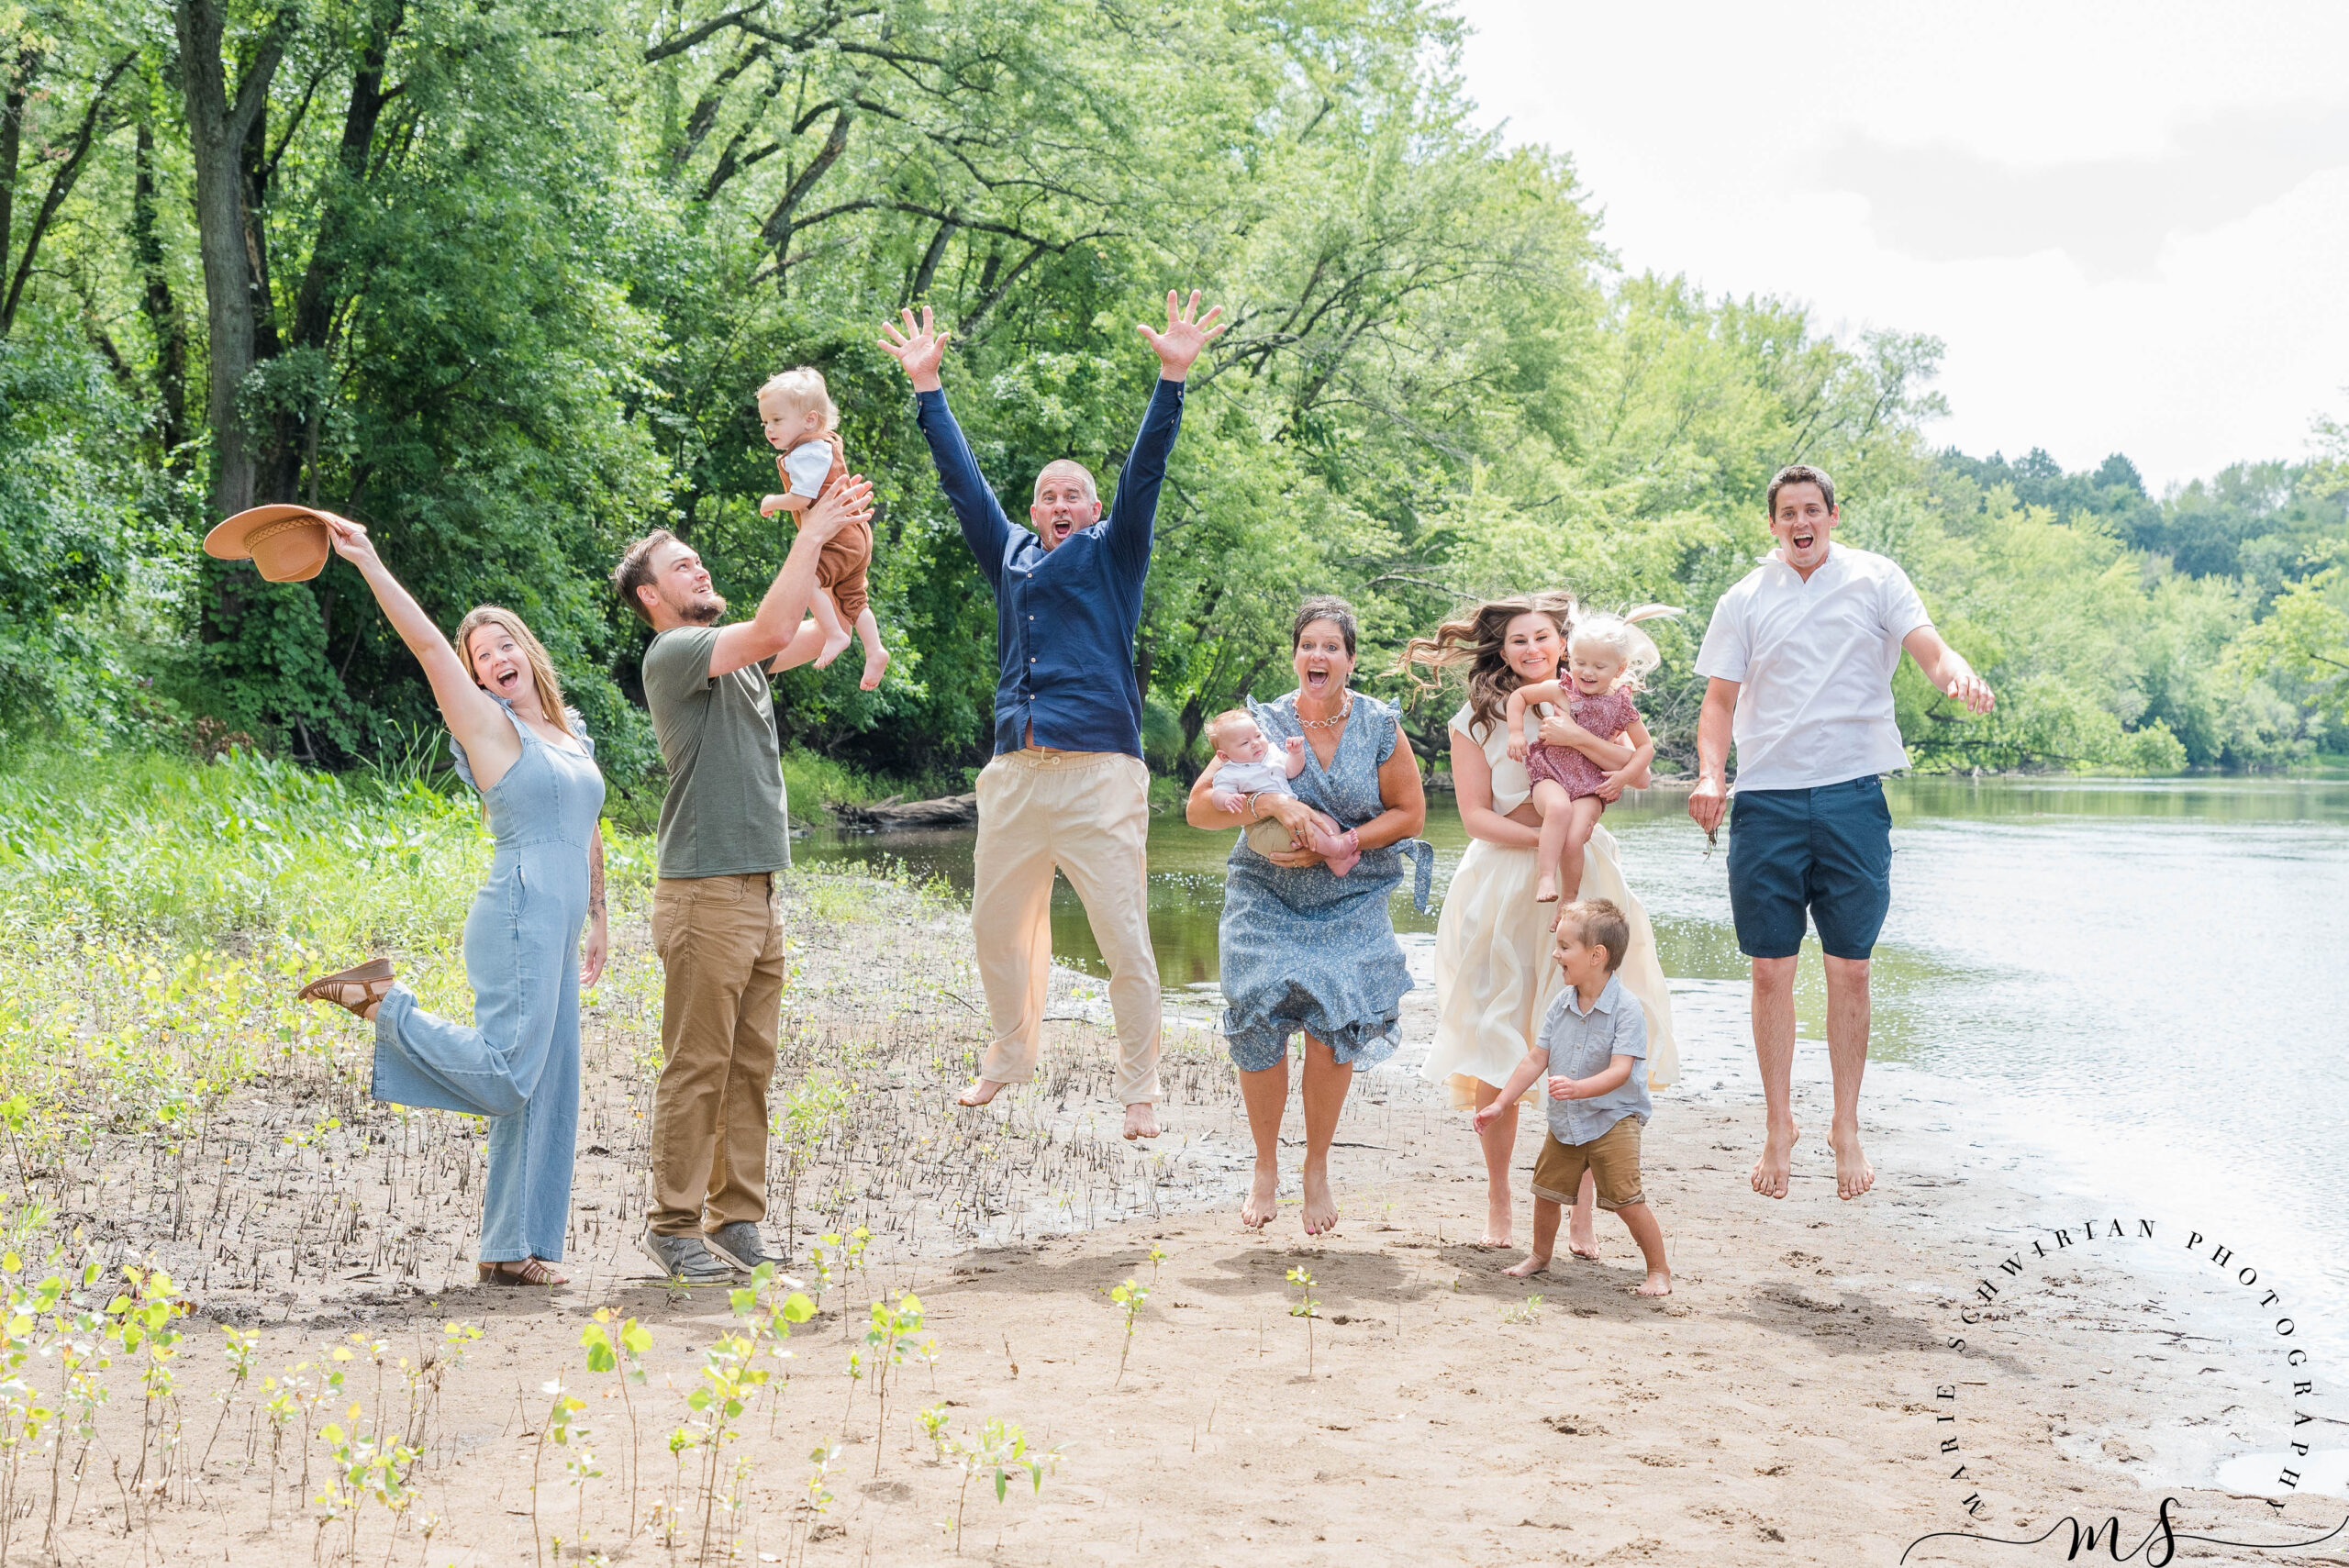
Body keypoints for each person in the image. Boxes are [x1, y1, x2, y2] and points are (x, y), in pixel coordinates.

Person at [878, 292, 1225, 1141]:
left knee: (1123, 938)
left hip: (1101, 774)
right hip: (1014, 773)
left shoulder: (1115, 554)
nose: (1060, 501)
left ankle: (1138, 1087)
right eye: (1047, 495)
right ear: (1034, 514)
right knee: (996, 927)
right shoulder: (1009, 555)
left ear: (1094, 511)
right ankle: (1009, 1055)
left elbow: (1146, 470)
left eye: (1075, 493)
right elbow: (964, 485)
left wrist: (1170, 377)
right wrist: (929, 392)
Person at [295, 517, 607, 1288]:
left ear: (527, 652)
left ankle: (511, 1247)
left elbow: (590, 829)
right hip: (517, 912)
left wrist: (602, 915)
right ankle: (382, 1001)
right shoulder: (489, 727)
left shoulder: (572, 738)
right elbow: (429, 646)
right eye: (481, 654)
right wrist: (368, 558)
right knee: (508, 1076)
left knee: (546, 1088)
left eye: (503, 643)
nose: (494, 658)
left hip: (561, 923)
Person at [1687, 462, 1995, 1203]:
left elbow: (1930, 649)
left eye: (1812, 511)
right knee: (1771, 969)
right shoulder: (1744, 599)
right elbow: (1719, 701)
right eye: (1787, 512)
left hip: (1856, 794)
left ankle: (1845, 1123)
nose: (1801, 522)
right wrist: (1710, 774)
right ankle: (1778, 1122)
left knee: (1851, 966)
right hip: (1767, 799)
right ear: (1772, 524)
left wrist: (1959, 676)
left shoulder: (1877, 578)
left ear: (1832, 515)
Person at [612, 473, 875, 1285]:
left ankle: (737, 1218)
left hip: (757, 893)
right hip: (703, 891)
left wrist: (829, 540)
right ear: (652, 596)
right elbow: (769, 624)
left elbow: (818, 635)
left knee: (749, 1064)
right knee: (697, 1065)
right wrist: (808, 534)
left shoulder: (742, 661)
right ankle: (672, 1224)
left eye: (698, 562)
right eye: (682, 567)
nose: (699, 571)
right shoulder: (676, 652)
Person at [1401, 592, 1679, 1254]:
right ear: (1502, 649)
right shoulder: (1475, 718)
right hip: (1503, 884)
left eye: (1543, 638)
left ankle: (1578, 1207)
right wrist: (1546, 838)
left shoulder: (1594, 696)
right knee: (1495, 1036)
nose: (1532, 649)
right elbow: (1474, 817)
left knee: (1582, 1042)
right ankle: (1500, 1196)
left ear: (1565, 644)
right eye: (1518, 640)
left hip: (1587, 881)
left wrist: (1582, 749)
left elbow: (1633, 774)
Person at [1186, 597, 1433, 1235]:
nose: (1317, 655)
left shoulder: (1379, 723)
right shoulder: (1260, 724)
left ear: (1350, 660)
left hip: (1351, 894)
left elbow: (1410, 815)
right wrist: (1269, 800)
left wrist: (1344, 843)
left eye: (1331, 646)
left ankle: (1315, 1167)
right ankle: (1266, 1165)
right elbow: (1199, 810)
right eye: (1308, 645)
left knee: (1335, 1020)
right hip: (1264, 894)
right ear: (1296, 654)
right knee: (1258, 1011)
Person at [1475, 899, 1671, 1295]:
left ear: (1597, 956)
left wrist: (1580, 1089)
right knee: (1546, 1191)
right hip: (1566, 1121)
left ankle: (1659, 1272)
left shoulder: (1627, 1010)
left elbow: (1621, 1071)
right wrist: (1501, 1102)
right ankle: (1541, 1257)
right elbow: (1536, 1058)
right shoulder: (1560, 1004)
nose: (1555, 954)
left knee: (1625, 1199)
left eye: (1565, 947)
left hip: (1613, 1120)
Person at [1502, 609, 1669, 905]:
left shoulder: (1620, 706)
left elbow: (1646, 749)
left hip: (1589, 784)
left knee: (1575, 835)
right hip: (1552, 773)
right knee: (1558, 810)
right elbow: (1520, 697)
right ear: (1569, 658)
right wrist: (1516, 732)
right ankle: (1545, 877)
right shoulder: (1561, 690)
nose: (1587, 672)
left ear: (1619, 669)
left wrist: (1623, 778)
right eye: (1580, 663)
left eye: (1599, 666)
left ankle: (1568, 900)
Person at [756, 367, 888, 690]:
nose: (769, 429)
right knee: (854, 598)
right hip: (853, 537)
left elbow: (802, 496)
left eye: (776, 420)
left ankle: (834, 634)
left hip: (837, 540)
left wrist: (771, 501)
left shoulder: (805, 453)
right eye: (765, 422)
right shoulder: (823, 444)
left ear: (810, 421)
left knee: (808, 583)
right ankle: (875, 650)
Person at [1200, 708, 1359, 874]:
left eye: (1258, 736)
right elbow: (1217, 795)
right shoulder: (1230, 772)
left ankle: (1335, 862)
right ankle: (1338, 849)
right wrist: (1226, 799)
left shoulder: (1272, 755)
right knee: (1307, 831)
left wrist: (1296, 753)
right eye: (1244, 743)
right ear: (1224, 756)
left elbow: (1291, 770)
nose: (1255, 743)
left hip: (1290, 816)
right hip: (1263, 828)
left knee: (1327, 823)